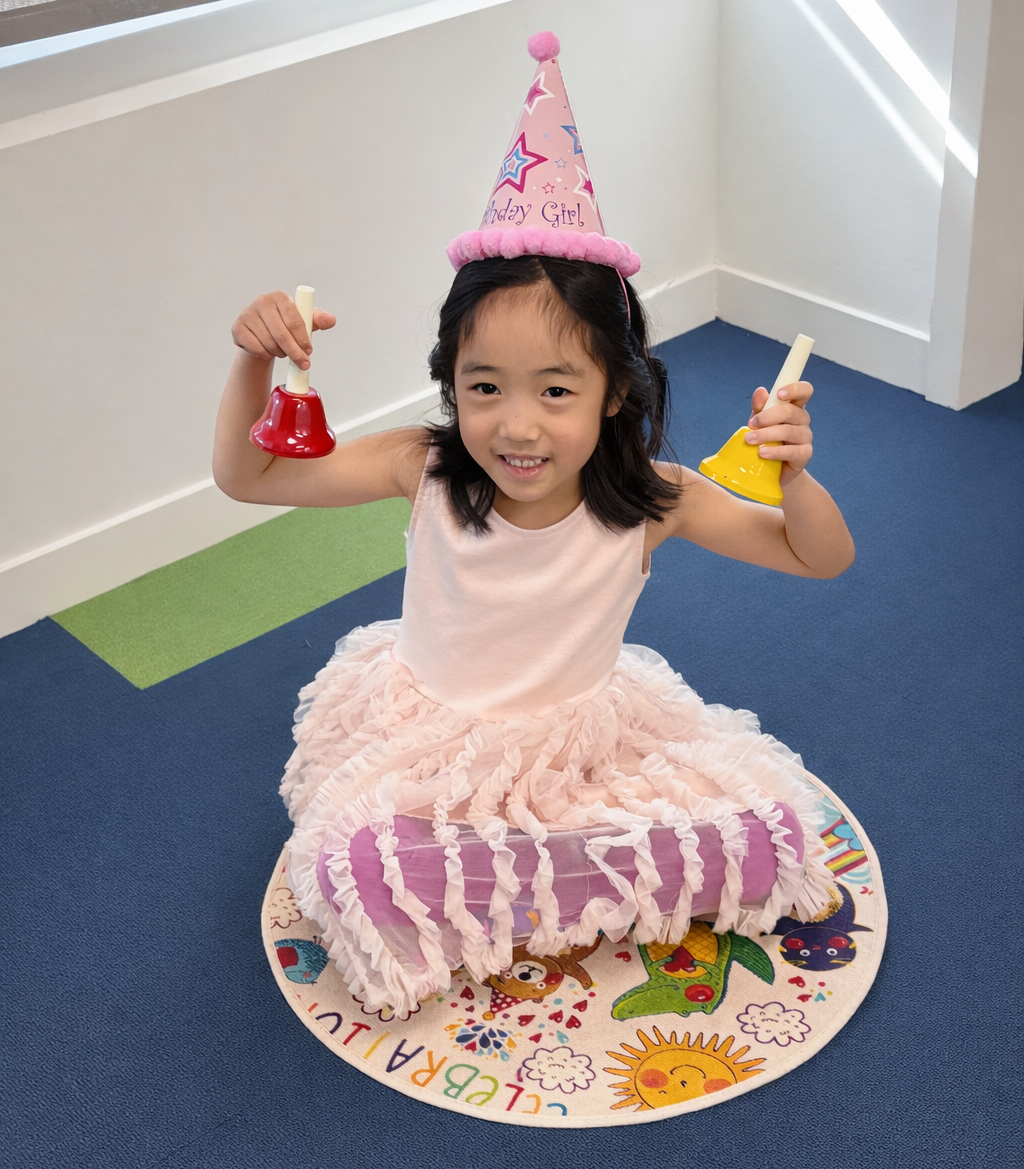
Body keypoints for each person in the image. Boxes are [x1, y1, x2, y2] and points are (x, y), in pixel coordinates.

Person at [212, 34, 855, 1019]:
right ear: (451, 386)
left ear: (612, 392)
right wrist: (254, 365)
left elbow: (819, 556)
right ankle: (531, 875)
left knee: (773, 832)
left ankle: (518, 873)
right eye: (484, 387)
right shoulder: (420, 464)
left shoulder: (654, 493)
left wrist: (796, 475)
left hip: (583, 749)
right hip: (431, 740)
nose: (516, 422)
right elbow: (250, 477)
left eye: (555, 387)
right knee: (347, 859)